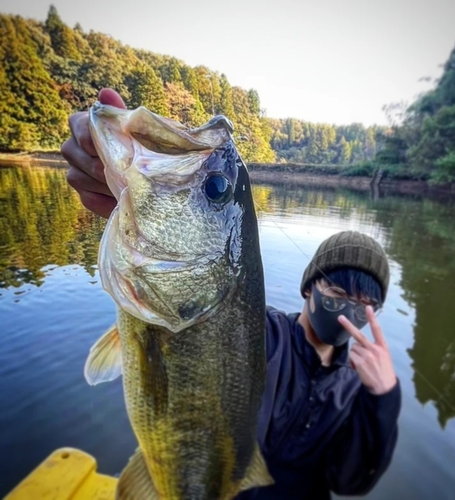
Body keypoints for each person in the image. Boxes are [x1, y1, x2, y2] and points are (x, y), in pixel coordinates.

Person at [61, 88, 401, 500]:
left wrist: (383, 398)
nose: (349, 308)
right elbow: (210, 298)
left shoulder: (356, 385)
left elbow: (350, 481)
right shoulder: (262, 335)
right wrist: (133, 202)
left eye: (366, 303)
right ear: (310, 287)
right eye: (337, 290)